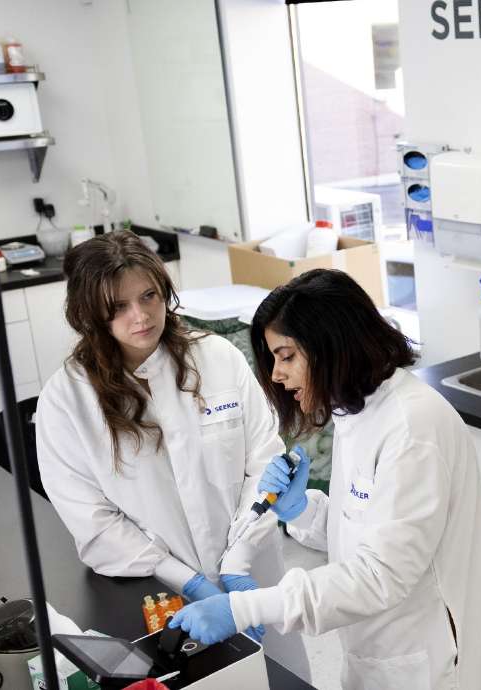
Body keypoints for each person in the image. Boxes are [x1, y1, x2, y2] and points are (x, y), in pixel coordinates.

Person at [172, 269, 481, 690]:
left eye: (287, 355)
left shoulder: (412, 427)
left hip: (429, 662)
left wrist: (246, 609)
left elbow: (379, 574)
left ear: (331, 344)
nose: (277, 375)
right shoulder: (358, 411)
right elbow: (365, 529)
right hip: (378, 650)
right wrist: (304, 510)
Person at [34, 231, 308, 678]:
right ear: (89, 314)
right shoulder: (66, 401)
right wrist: (192, 583)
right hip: (160, 593)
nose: (140, 316)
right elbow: (94, 522)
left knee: (284, 680)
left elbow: (264, 463)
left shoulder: (217, 358)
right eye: (118, 307)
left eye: (149, 296)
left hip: (254, 573)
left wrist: (236, 567)